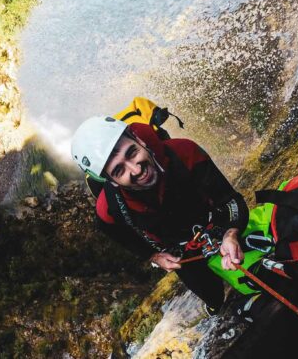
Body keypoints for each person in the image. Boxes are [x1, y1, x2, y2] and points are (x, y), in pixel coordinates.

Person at [71, 116, 249, 314]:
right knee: (213, 296)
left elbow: (229, 200)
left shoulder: (185, 153)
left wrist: (230, 233)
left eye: (132, 152)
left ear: (140, 141)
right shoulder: (110, 207)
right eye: (119, 170)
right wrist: (153, 256)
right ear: (111, 181)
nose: (136, 169)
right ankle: (214, 302)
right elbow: (112, 230)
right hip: (178, 250)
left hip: (213, 224)